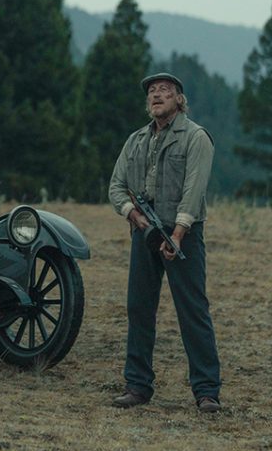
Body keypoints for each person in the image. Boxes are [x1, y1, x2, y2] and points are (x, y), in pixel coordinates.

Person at [107, 72, 222, 413]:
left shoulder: (196, 137)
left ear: (179, 99)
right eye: (153, 92)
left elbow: (195, 188)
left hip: (183, 234)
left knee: (192, 311)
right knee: (139, 308)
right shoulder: (137, 140)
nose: (157, 95)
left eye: (165, 91)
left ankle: (207, 391)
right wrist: (133, 215)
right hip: (145, 231)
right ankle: (137, 385)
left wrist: (178, 232)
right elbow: (116, 185)